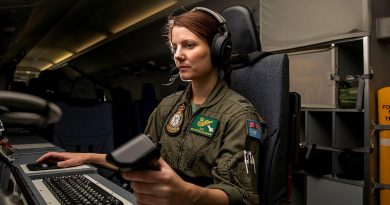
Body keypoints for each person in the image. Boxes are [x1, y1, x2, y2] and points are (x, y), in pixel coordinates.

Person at [37, 7, 266, 205]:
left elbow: (240, 196)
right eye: (174, 47)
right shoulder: (168, 106)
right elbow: (139, 159)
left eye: (189, 45)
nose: (178, 55)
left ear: (218, 49)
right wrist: (85, 158)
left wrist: (187, 195)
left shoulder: (239, 115)